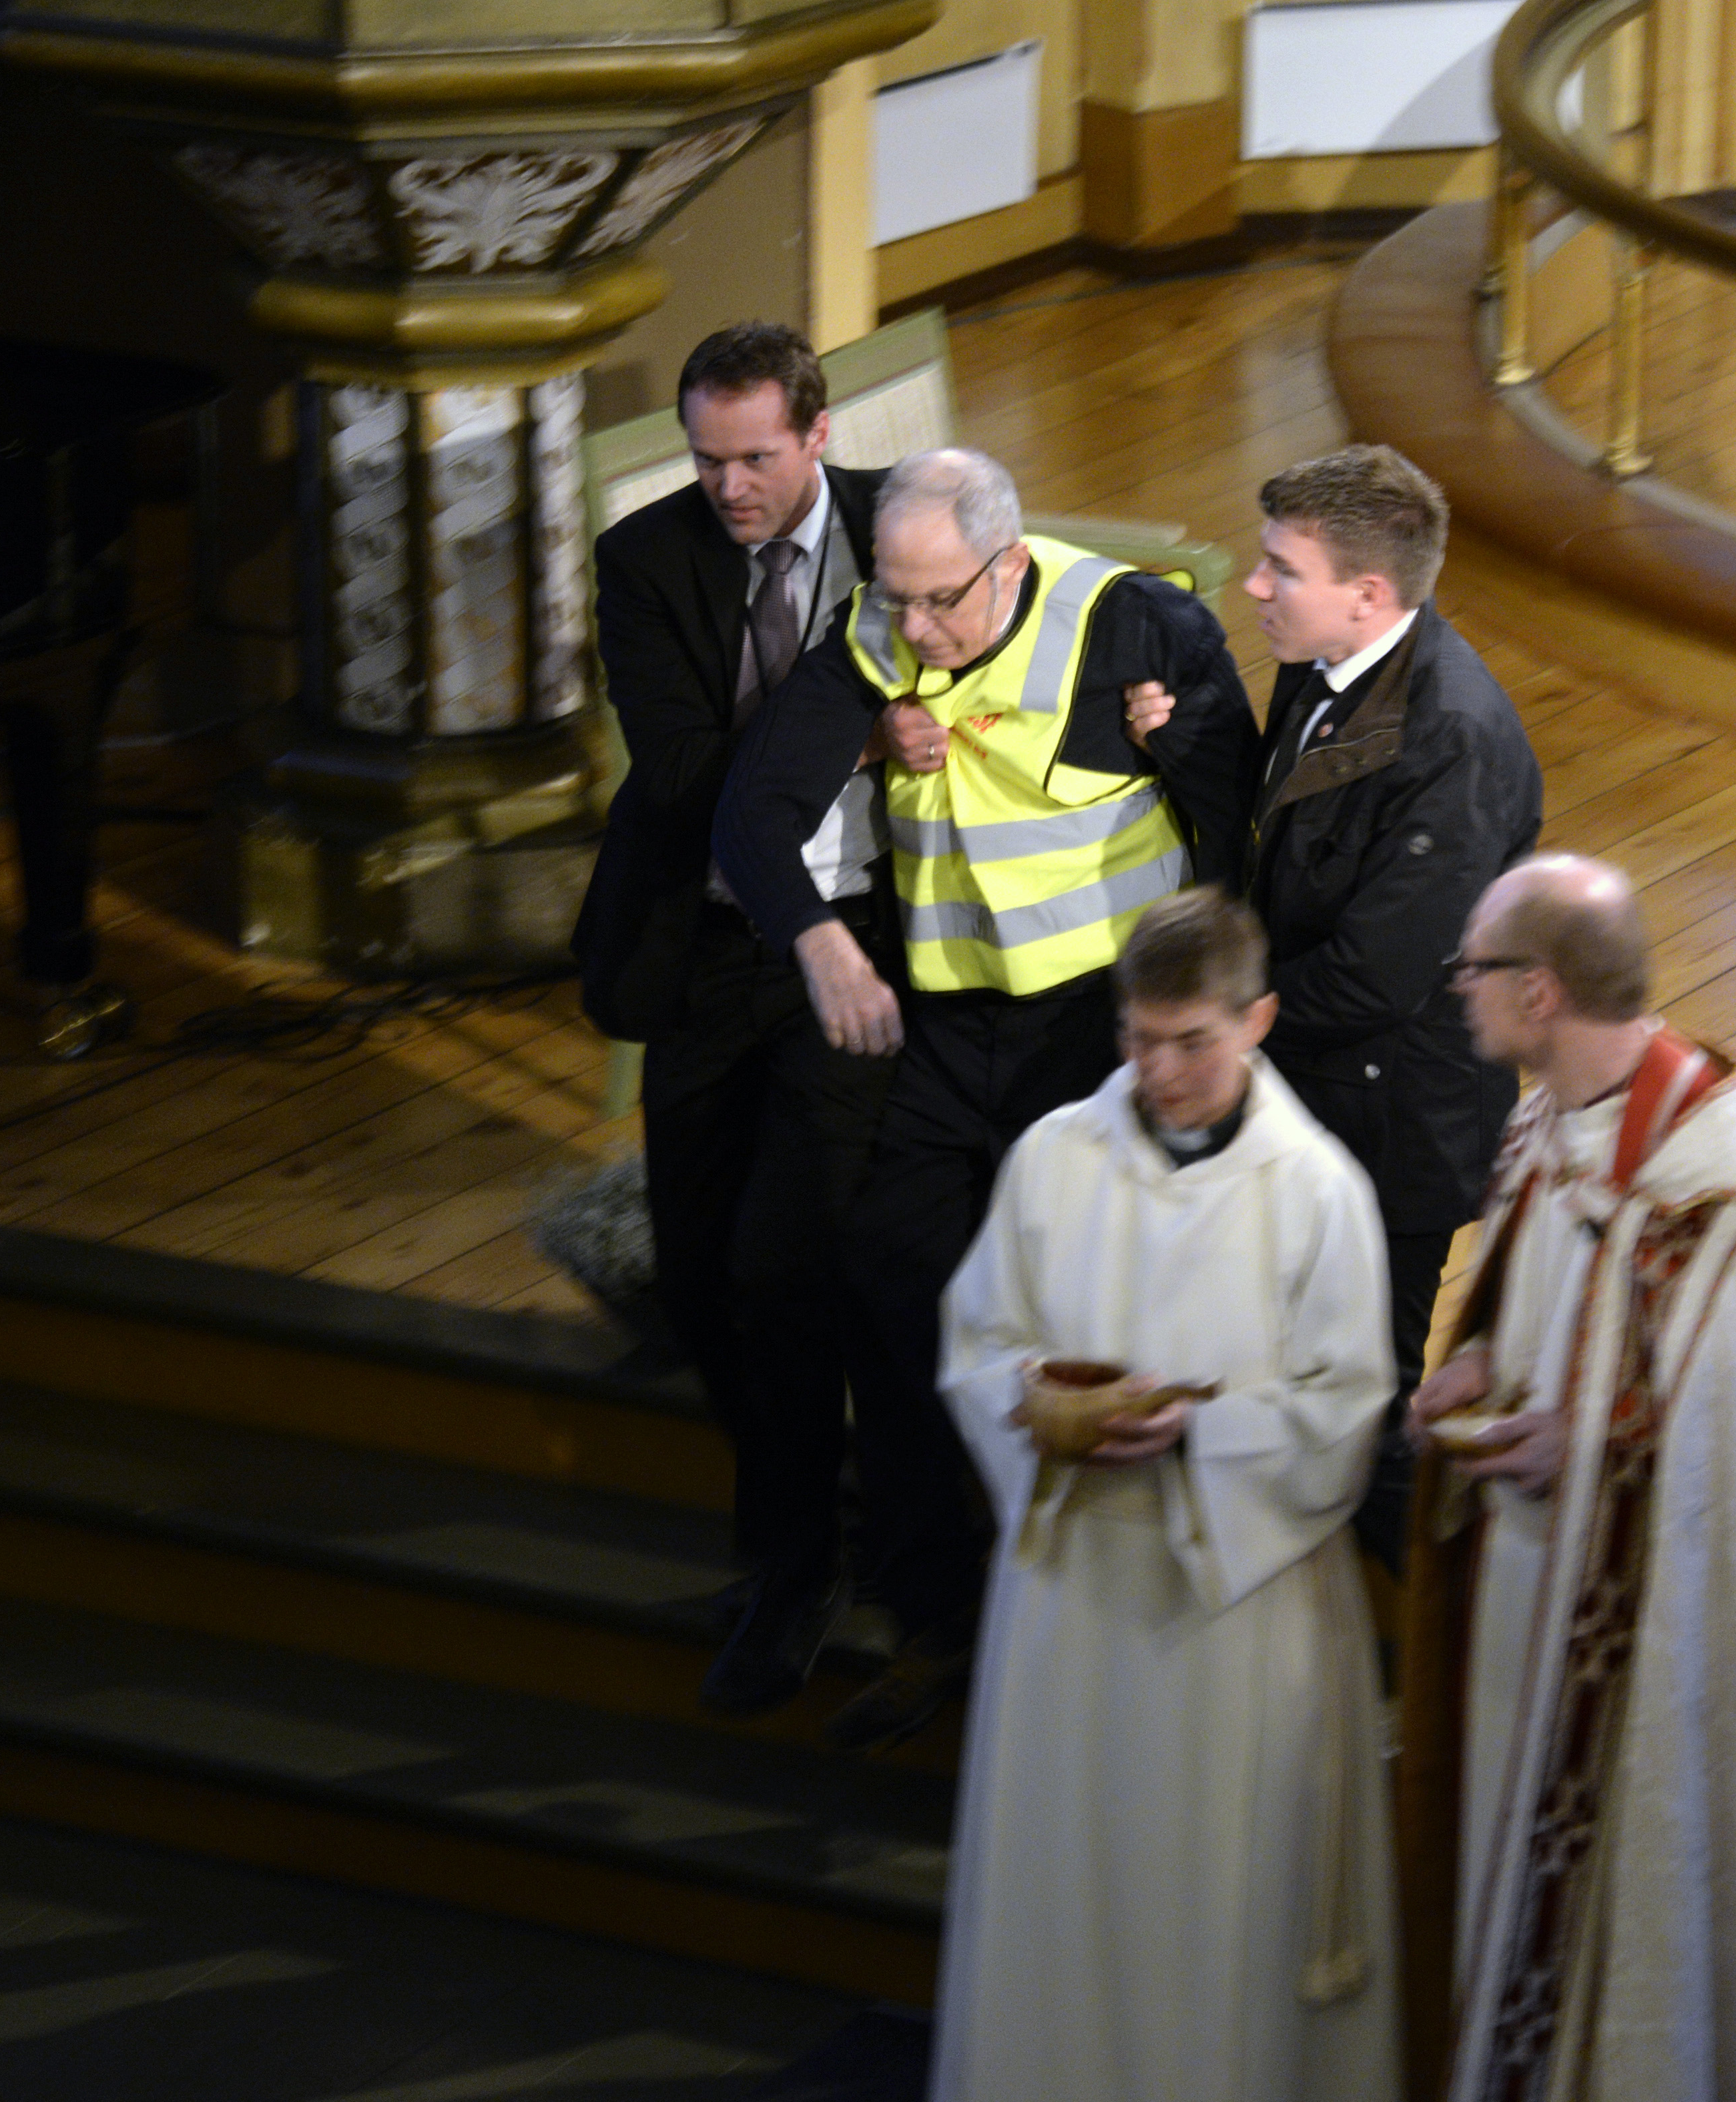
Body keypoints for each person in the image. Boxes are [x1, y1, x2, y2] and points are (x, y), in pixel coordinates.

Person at [714, 445, 1260, 1748]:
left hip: (1103, 1044)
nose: (913, 631)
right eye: (894, 599)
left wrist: (1204, 1045)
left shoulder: (1136, 624)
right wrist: (818, 935)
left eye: (940, 601)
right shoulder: (878, 636)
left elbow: (1240, 833)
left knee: (1094, 1319)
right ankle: (932, 1622)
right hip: (948, 1034)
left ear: (1008, 565)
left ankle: (1102, 1640)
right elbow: (750, 816)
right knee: (894, 1288)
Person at [1404, 854, 1736, 2102]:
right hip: (1540, 1620)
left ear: (1539, 993)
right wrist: (1483, 1353)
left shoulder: (1730, 1205)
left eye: (1474, 970)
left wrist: (1581, 1446)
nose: (1458, 991)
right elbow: (1557, 1299)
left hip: (1668, 1679)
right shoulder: (1554, 1122)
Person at [926, 888, 1399, 2102]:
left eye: (1194, 1041)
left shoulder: (1317, 1191)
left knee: (1214, 1895)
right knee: (1070, 1883)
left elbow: (1346, 1406)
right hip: (1073, 1591)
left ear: (1259, 1022)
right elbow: (977, 1343)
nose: (1162, 1070)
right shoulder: (1054, 1159)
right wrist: (1035, 1398)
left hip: (1234, 1608)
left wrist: (1203, 1430)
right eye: (1140, 1039)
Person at [567, 322, 909, 1720]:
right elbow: (689, 767)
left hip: (863, 953)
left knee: (787, 1263)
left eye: (755, 457)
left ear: (817, 433)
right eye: (705, 459)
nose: (727, 487)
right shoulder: (646, 561)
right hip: (710, 947)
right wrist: (864, 725)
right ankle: (806, 1518)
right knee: (697, 1272)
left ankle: (796, 1564)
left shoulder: (910, 521)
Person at [1239, 444, 1540, 1551]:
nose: (1255, 587)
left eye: (1281, 569)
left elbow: (1374, 975)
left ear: (1369, 596)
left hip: (1393, 1129)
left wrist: (1228, 1028)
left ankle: (1393, 1667)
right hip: (1318, 1096)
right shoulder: (1322, 667)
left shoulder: (1451, 737)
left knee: (1364, 1417)